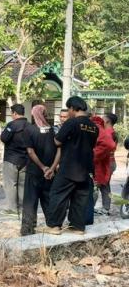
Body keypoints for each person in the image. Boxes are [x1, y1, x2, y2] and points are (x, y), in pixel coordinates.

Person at [41, 96, 98, 235]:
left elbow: (57, 142)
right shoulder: (94, 127)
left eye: (69, 109)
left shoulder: (71, 123)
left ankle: (54, 226)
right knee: (80, 198)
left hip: (69, 166)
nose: (69, 113)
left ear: (73, 108)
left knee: (57, 194)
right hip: (85, 168)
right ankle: (77, 227)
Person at [20, 105, 61, 236]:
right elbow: (59, 150)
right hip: (50, 173)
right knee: (48, 198)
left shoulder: (29, 130)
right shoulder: (54, 131)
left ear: (33, 114)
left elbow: (30, 151)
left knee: (30, 201)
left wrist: (42, 167)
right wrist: (52, 168)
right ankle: (53, 225)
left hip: (34, 171)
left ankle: (28, 229)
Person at [0, 104, 30, 216]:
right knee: (23, 184)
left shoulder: (12, 125)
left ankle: (12, 209)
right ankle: (22, 208)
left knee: (11, 184)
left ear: (14, 113)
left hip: (11, 159)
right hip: (26, 159)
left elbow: (4, 138)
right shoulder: (29, 125)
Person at [92, 115, 117, 216]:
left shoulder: (107, 132)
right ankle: (106, 208)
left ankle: (90, 206)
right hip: (110, 162)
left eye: (103, 118)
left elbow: (107, 146)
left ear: (107, 121)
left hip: (105, 162)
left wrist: (94, 156)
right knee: (105, 186)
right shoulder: (112, 131)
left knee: (96, 185)